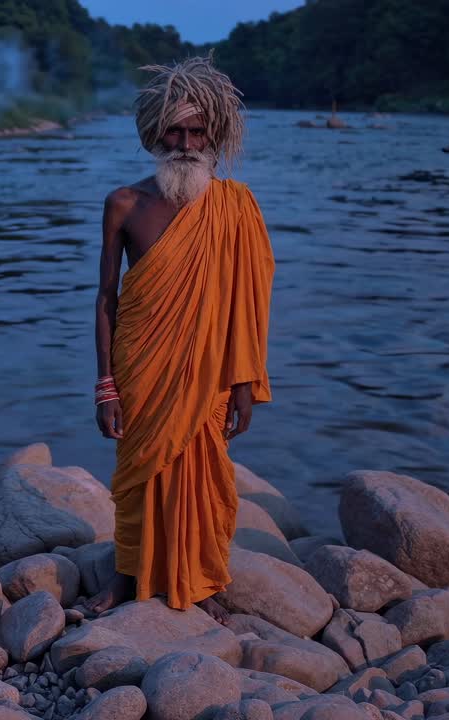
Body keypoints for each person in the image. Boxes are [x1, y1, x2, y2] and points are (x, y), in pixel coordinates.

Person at [88, 56, 274, 621]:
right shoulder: (125, 203)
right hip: (140, 362)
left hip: (213, 368)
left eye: (197, 131)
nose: (186, 142)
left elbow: (249, 303)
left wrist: (244, 381)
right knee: (138, 468)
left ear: (212, 136)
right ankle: (127, 573)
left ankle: (205, 579)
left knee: (206, 468)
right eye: (175, 129)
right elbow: (105, 298)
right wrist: (105, 386)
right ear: (153, 133)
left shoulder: (234, 206)